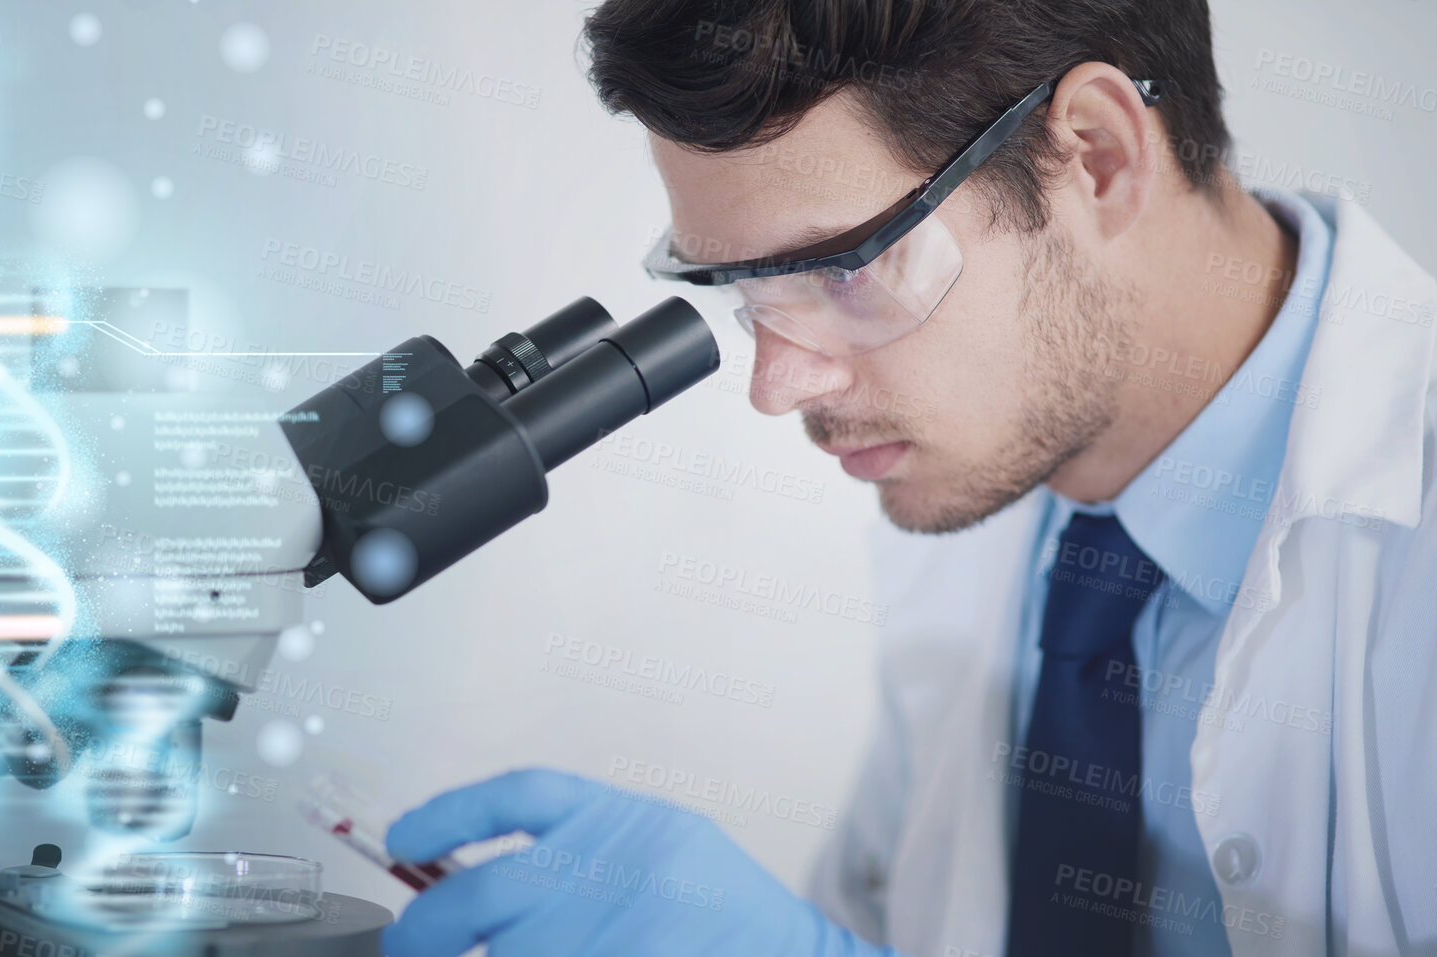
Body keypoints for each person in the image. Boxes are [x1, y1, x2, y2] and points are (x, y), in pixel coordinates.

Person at [377, 1, 1437, 955]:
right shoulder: (964, 498)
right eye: (747, 295)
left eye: (843, 268)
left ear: (1099, 157)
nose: (777, 385)